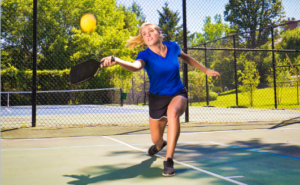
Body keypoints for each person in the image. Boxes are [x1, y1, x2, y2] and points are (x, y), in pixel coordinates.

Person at [100, 22, 220, 177]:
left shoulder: (173, 47)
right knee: (156, 139)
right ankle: (159, 145)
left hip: (178, 93)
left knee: (173, 113)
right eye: (144, 34)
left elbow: (186, 58)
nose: (148, 34)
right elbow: (135, 66)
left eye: (151, 31)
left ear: (159, 33)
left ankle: (168, 160)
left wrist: (205, 70)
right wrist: (116, 60)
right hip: (157, 99)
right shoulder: (144, 55)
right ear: (143, 39)